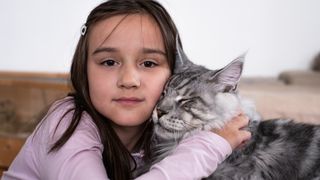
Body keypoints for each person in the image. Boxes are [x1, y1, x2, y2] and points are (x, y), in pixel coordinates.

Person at [2, 0, 251, 179]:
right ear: (83, 70)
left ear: (173, 74)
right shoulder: (66, 122)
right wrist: (210, 145)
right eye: (109, 62)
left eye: (149, 63)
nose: (129, 80)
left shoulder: (162, 132)